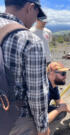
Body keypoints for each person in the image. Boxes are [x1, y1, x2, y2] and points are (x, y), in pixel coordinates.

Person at [0, 0, 50, 135]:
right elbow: (37, 92)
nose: (35, 20)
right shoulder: (30, 40)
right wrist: (42, 127)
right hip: (17, 120)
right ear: (30, 7)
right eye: (37, 14)